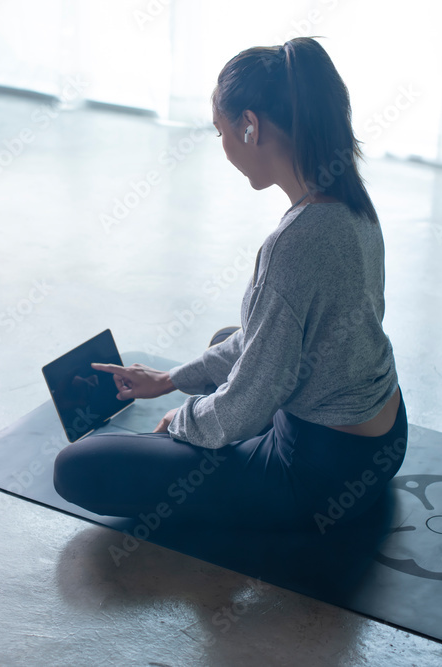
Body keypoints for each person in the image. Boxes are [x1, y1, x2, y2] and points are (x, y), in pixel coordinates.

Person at [53, 37, 407, 532]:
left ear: (251, 126)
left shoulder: (295, 242)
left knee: (76, 466)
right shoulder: (349, 198)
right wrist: (171, 379)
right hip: (385, 438)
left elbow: (250, 400)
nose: (223, 148)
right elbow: (266, 342)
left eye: (221, 131)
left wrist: (180, 422)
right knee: (227, 339)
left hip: (322, 476)